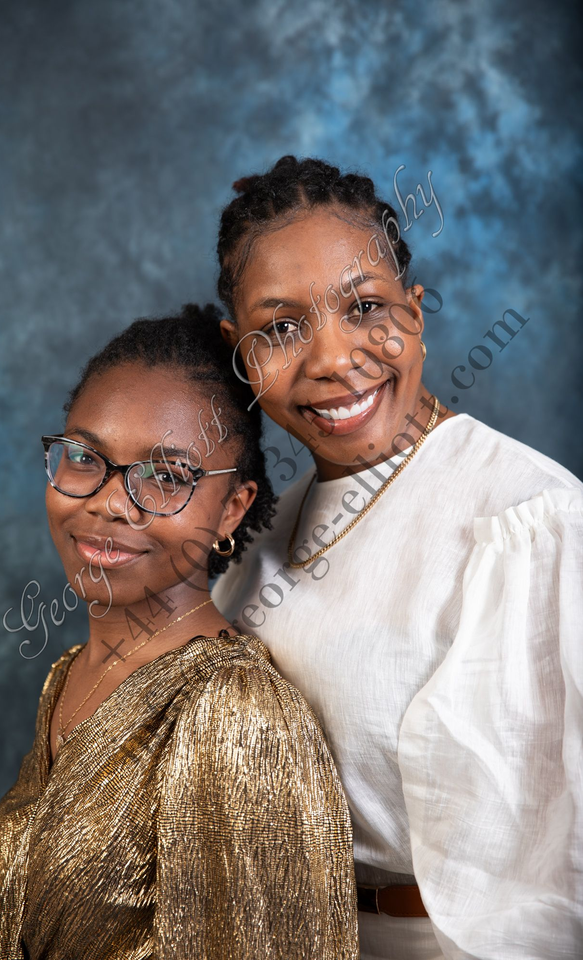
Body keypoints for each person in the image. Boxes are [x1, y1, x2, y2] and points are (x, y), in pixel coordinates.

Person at [211, 156, 583, 960]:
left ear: (415, 313)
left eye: (366, 308)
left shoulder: (531, 520)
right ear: (238, 352)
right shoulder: (255, 539)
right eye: (281, 328)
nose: (332, 358)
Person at [0, 304, 360, 960]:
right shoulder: (69, 672)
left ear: (233, 509)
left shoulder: (235, 713)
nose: (109, 502)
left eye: (165, 476)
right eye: (85, 457)